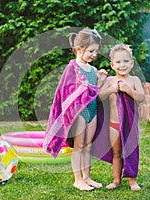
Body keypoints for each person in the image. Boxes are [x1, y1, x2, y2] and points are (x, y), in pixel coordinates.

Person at [43, 28, 107, 191]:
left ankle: (87, 177)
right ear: (79, 49)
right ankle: (77, 179)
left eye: (96, 52)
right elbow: (66, 93)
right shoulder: (72, 68)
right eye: (91, 51)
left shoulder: (93, 70)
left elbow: (95, 93)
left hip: (91, 111)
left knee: (87, 145)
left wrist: (100, 81)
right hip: (78, 113)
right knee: (78, 146)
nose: (94, 55)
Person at [97, 43, 145, 190]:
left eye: (125, 61)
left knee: (131, 151)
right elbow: (99, 97)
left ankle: (132, 180)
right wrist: (112, 89)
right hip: (113, 124)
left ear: (131, 63)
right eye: (118, 62)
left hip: (130, 124)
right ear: (112, 65)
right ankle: (116, 180)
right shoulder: (110, 81)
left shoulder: (134, 80)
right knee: (116, 153)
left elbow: (141, 97)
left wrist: (129, 90)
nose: (122, 65)